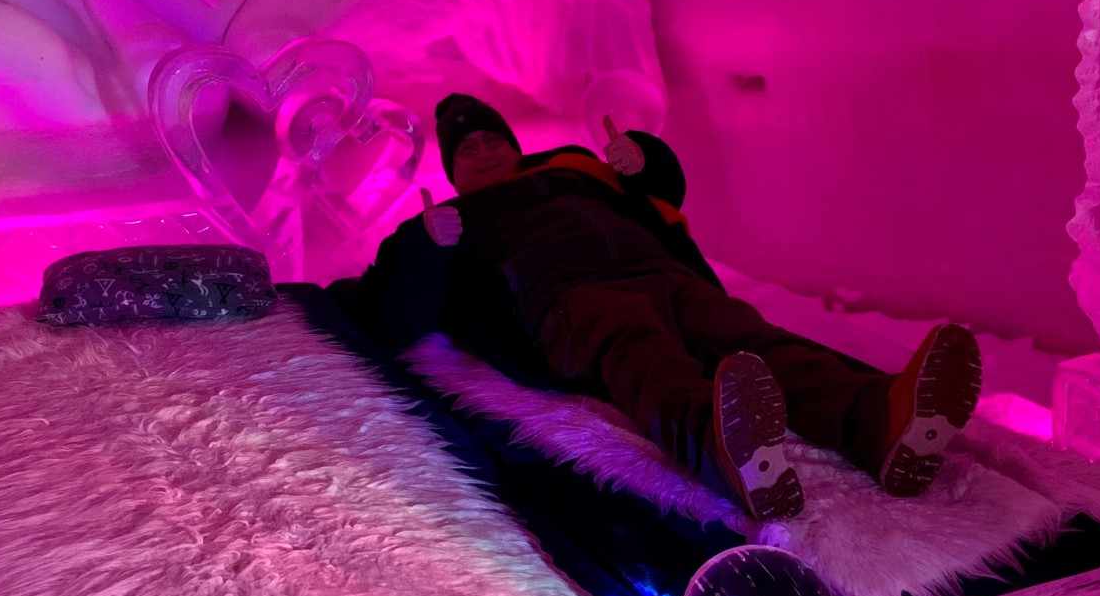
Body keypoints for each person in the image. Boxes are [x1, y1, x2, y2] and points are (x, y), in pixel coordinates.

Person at [351, 93, 982, 521]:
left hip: (661, 272)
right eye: (467, 148)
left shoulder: (574, 168)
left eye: (492, 138)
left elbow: (658, 192)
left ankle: (878, 421)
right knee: (640, 354)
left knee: (752, 339)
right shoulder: (445, 221)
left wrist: (642, 157)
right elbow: (395, 311)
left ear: (512, 143)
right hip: (570, 300)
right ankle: (727, 453)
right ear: (452, 170)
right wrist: (428, 251)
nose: (484, 150)